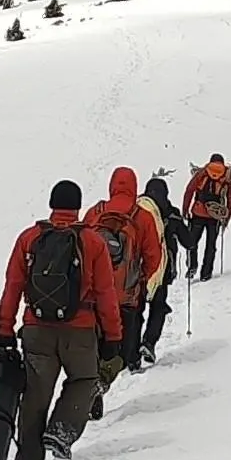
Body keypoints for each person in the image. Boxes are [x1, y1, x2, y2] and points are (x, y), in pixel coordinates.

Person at [0, 179, 124, 460]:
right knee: (84, 381)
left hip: (37, 329)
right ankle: (62, 429)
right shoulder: (92, 242)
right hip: (80, 330)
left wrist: (5, 328)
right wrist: (113, 336)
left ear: (52, 204)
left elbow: (13, 286)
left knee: (35, 395)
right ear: (77, 208)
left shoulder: (29, 239)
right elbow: (106, 293)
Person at [84, 167, 164, 412]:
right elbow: (154, 256)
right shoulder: (142, 216)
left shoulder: (95, 213)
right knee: (118, 351)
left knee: (93, 347)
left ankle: (88, 388)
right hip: (126, 298)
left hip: (94, 296)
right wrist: (140, 281)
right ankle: (101, 382)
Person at [140, 176, 188, 362]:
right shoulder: (172, 214)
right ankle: (149, 343)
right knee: (158, 307)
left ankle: (132, 355)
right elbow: (189, 242)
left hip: (137, 269)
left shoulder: (138, 210)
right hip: (162, 270)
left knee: (135, 310)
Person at [182, 153, 231, 282]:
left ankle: (192, 266)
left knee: (191, 242)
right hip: (215, 216)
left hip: (198, 213)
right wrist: (226, 219)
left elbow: (190, 189)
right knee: (210, 245)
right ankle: (206, 273)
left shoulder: (203, 172)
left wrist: (185, 209)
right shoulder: (226, 176)